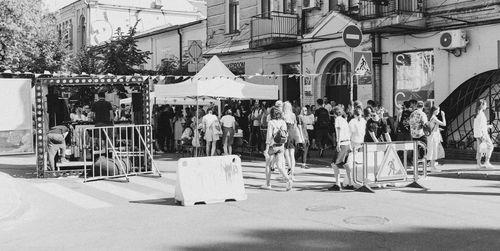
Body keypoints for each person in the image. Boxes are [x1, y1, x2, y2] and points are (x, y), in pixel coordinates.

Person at [262, 107, 293, 191]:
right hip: (281, 145)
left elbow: (269, 136)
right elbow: (285, 134)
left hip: (272, 146)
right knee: (280, 166)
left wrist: (266, 149)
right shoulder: (283, 122)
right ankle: (288, 179)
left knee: (268, 165)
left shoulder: (271, 123)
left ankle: (268, 184)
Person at [329, 106, 353, 191]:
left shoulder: (338, 120)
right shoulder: (344, 120)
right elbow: (348, 132)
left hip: (342, 143)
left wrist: (338, 143)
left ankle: (337, 184)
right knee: (345, 164)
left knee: (334, 164)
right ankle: (350, 183)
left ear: (334, 114)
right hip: (347, 143)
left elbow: (338, 131)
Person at [473, 99, 495, 168]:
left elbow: (478, 125)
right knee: (490, 146)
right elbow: (481, 126)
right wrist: (483, 134)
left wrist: (487, 126)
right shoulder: (481, 114)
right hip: (482, 134)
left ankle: (479, 164)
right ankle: (486, 162)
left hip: (478, 134)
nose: (486, 106)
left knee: (479, 149)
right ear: (482, 105)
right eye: (485, 104)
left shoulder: (477, 114)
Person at [427, 105, 446, 171]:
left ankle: (433, 166)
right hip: (434, 137)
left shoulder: (430, 117)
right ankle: (433, 167)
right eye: (438, 110)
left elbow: (432, 127)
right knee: (434, 151)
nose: (439, 111)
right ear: (435, 111)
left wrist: (438, 129)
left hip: (431, 136)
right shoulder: (434, 118)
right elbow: (444, 124)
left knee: (433, 151)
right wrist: (443, 116)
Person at [283, 101, 298, 179]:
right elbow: (295, 126)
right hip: (292, 134)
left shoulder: (283, 115)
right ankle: (292, 173)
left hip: (286, 134)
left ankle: (289, 168)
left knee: (286, 153)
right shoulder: (293, 115)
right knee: (292, 155)